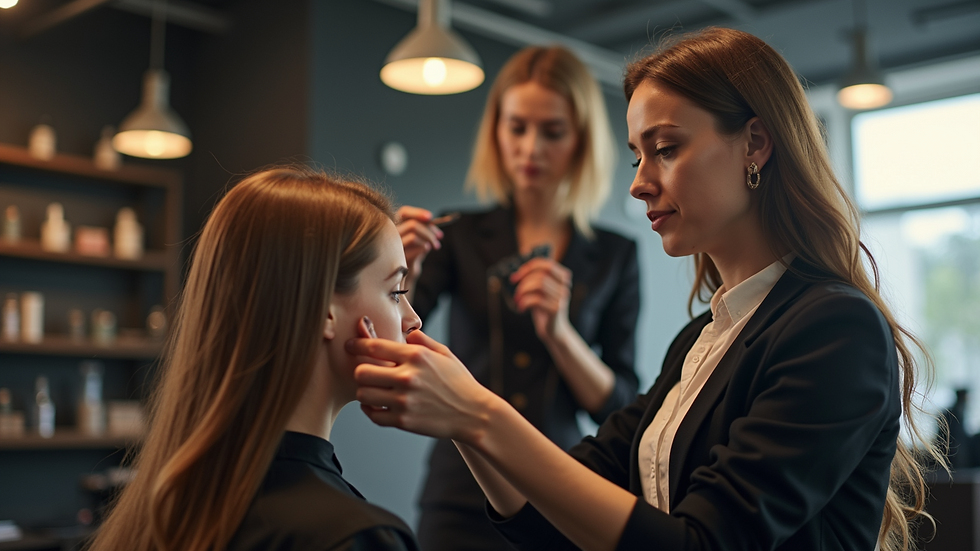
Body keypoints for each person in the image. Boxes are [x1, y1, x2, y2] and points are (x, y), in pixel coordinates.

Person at [349, 28, 943, 551]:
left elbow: (702, 542)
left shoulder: (833, 327)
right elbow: (561, 500)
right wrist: (464, 424)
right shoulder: (700, 341)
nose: (638, 185)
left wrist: (477, 415)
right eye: (638, 155)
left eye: (665, 149)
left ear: (755, 144)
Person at [87, 167, 422, 551]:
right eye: (397, 292)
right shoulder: (354, 538)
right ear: (323, 310)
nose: (413, 319)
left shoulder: (165, 509)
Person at [395, 45, 641, 550]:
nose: (531, 149)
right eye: (517, 127)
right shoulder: (458, 234)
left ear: (580, 140)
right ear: (496, 131)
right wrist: (400, 272)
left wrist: (561, 333)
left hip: (562, 482)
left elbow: (620, 406)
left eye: (552, 132)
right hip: (461, 487)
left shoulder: (616, 254)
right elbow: (396, 338)